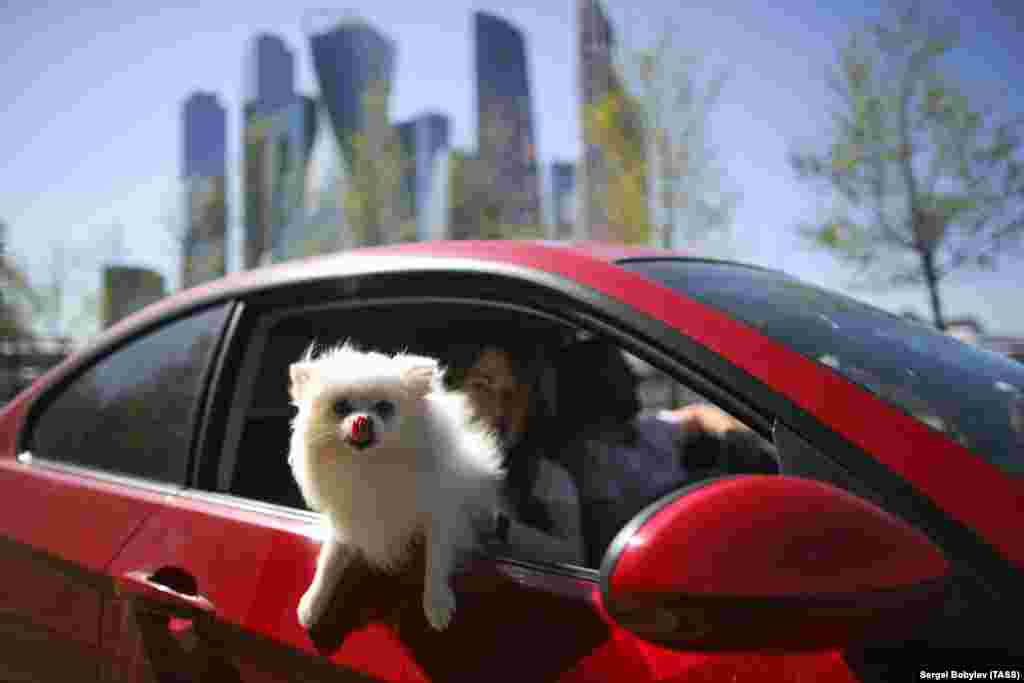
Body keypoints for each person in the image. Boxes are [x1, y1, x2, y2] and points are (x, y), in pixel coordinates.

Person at [443, 336, 586, 566]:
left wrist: (498, 526)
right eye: (481, 386)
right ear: (449, 388)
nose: (498, 408)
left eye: (509, 394)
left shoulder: (546, 478)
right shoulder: (409, 464)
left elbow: (574, 565)